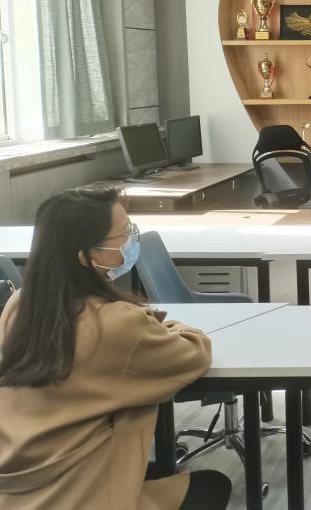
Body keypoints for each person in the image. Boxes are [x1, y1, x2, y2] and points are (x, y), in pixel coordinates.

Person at [0, 186, 230, 510]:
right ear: (87, 256)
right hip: (79, 495)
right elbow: (194, 352)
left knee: (154, 471)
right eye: (124, 233)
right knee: (213, 485)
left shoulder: (19, 305)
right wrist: (168, 325)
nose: (132, 239)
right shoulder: (117, 323)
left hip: (19, 486)